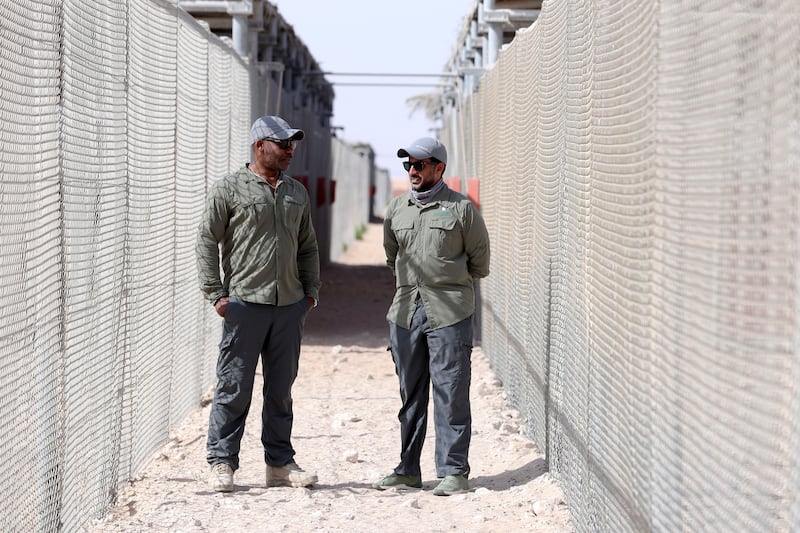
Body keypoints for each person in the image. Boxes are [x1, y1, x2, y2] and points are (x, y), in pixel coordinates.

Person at [195, 115, 321, 492]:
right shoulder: (229, 189)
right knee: (234, 385)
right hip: (245, 303)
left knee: (281, 389)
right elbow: (206, 240)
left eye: (292, 144)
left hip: (288, 306)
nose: (289, 150)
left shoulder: (296, 192)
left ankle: (280, 464)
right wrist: (216, 293)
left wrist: (310, 292)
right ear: (259, 146)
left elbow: (308, 245)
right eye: (282, 144)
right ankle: (222, 461)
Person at [374, 137, 490, 496]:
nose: (413, 171)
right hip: (406, 311)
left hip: (450, 312)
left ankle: (454, 470)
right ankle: (408, 469)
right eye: (408, 165)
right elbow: (392, 256)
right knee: (411, 394)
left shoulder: (461, 210)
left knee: (451, 390)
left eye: (420, 165)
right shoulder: (396, 209)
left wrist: (446, 283)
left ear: (439, 168)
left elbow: (479, 262)